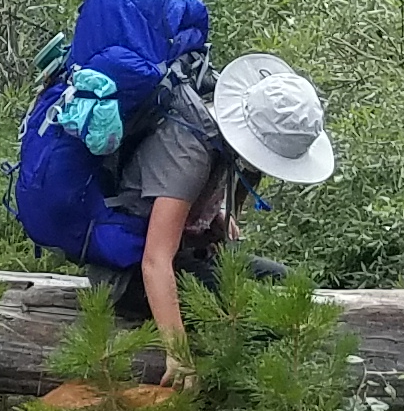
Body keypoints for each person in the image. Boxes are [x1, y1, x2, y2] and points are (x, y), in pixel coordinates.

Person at [106, 53, 336, 362]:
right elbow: (155, 260)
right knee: (264, 315)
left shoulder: (216, 139)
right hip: (130, 273)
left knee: (294, 286)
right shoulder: (188, 150)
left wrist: (212, 218)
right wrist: (179, 356)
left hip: (185, 254)